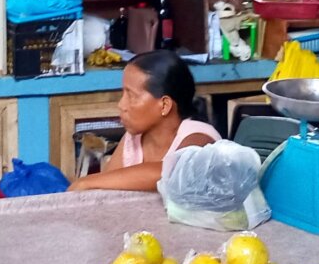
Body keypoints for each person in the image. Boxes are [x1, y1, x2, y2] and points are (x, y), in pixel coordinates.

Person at [68, 51, 219, 192]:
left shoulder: (199, 135)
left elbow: (172, 172)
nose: (121, 105)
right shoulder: (132, 140)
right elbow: (106, 190)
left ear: (165, 105)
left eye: (131, 96)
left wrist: (86, 182)